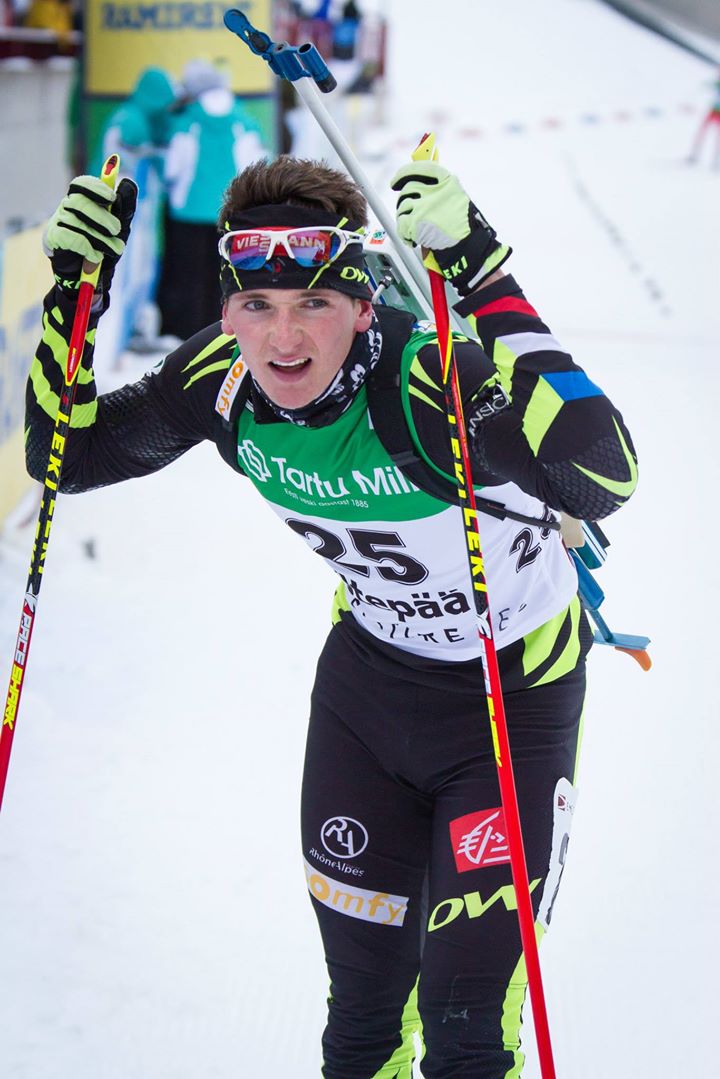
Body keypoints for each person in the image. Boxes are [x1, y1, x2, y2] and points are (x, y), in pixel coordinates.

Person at [26, 154, 638, 1077]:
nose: (282, 338)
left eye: (312, 302)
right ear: (226, 309)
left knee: (468, 1029)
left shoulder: (428, 382)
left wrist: (482, 272)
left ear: (362, 306)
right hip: (368, 698)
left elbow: (602, 469)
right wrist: (77, 294)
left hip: (510, 698)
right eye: (255, 305)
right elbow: (62, 452)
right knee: (360, 1027)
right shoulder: (221, 381)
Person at [156, 58, 266, 339]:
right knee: (225, 278)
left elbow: (173, 167)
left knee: (187, 278)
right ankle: (221, 333)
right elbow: (256, 165)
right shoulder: (244, 121)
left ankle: (184, 334)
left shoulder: (188, 121)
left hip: (188, 214)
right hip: (233, 214)